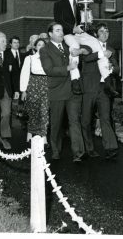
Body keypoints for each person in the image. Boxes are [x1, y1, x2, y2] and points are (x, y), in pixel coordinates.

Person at [53, 0, 116, 96]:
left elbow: (86, 21)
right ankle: (75, 80)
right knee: (75, 47)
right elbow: (58, 22)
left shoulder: (82, 1)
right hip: (69, 33)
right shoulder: (59, 3)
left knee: (98, 44)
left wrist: (88, 20)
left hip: (82, 32)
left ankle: (107, 80)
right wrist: (72, 28)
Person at [40, 22, 86, 162]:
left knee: (74, 121)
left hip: (73, 90)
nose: (61, 33)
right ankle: (55, 150)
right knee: (56, 123)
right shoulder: (45, 50)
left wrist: (81, 51)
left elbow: (85, 49)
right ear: (50, 34)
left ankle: (78, 153)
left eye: (61, 30)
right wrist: (67, 68)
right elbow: (49, 70)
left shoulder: (68, 46)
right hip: (57, 91)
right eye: (57, 30)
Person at [80, 23, 119, 159]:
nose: (104, 34)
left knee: (105, 118)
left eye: (107, 31)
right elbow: (85, 58)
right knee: (85, 120)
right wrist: (101, 54)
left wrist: (111, 68)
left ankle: (111, 148)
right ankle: (88, 148)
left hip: (104, 89)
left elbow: (117, 69)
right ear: (96, 34)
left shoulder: (111, 49)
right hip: (89, 87)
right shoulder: (89, 45)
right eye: (101, 31)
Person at [20, 38, 49, 140]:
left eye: (43, 45)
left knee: (44, 111)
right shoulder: (29, 58)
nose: (41, 46)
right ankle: (30, 133)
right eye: (39, 45)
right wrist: (23, 90)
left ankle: (43, 135)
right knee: (33, 111)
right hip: (33, 86)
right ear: (35, 47)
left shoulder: (50, 59)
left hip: (46, 86)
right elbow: (24, 74)